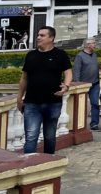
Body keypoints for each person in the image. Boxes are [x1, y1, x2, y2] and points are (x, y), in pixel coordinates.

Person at [17, 26, 73, 154]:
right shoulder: (31, 55)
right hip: (32, 103)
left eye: (42, 35)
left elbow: (68, 72)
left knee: (50, 136)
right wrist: (19, 98)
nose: (38, 37)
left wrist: (66, 86)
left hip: (53, 102)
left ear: (51, 38)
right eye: (38, 35)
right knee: (31, 136)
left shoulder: (60, 55)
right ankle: (29, 163)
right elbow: (24, 78)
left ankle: (48, 161)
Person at [73, 39, 101, 132]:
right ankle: (79, 124)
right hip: (83, 85)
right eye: (93, 43)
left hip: (95, 84)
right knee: (81, 105)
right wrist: (77, 83)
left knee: (95, 103)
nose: (95, 44)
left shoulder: (94, 55)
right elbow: (76, 70)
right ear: (88, 45)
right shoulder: (80, 56)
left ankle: (94, 124)